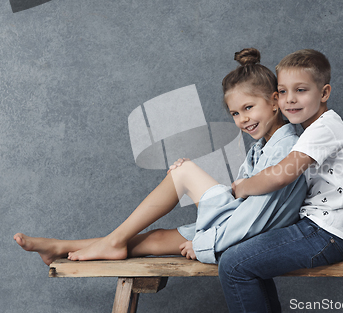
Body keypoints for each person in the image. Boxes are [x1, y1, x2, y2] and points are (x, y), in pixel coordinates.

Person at [13, 48, 307, 266]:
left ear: (273, 102)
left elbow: (256, 218)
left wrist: (204, 243)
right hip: (235, 224)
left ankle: (111, 242)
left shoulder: (287, 148)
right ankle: (59, 247)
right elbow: (246, 202)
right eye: (234, 113)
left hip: (245, 234)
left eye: (248, 107)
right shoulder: (262, 148)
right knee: (153, 239)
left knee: (182, 172)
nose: (242, 119)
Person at [218, 49, 343, 312]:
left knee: (233, 265)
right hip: (320, 228)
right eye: (283, 91)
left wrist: (242, 187)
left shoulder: (324, 128)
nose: (289, 100)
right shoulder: (313, 130)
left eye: (300, 90)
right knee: (246, 259)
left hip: (326, 233)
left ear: (324, 93)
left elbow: (281, 175)